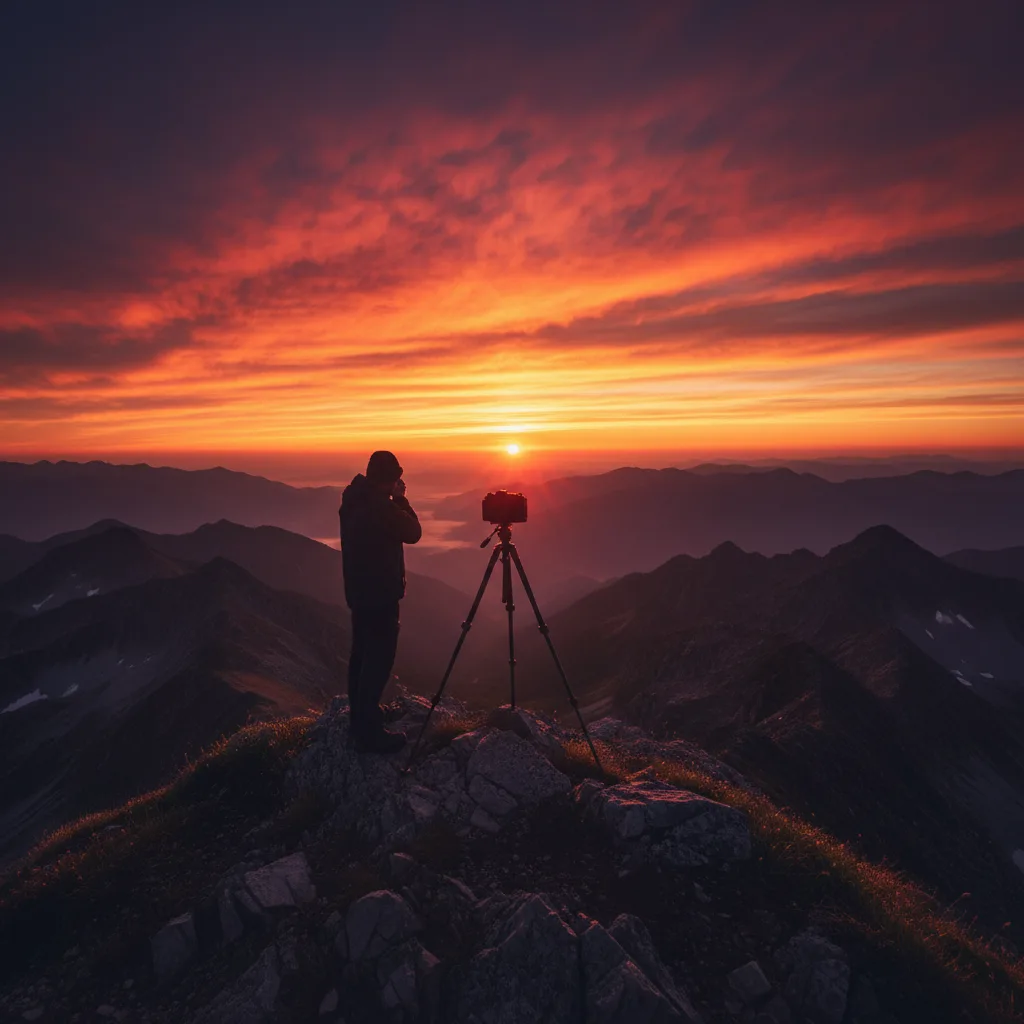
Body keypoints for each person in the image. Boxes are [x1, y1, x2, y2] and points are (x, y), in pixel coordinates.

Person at [339, 450, 422, 753]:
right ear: (389, 480)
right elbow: (413, 532)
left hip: (358, 591)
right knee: (379, 659)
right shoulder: (382, 509)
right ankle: (369, 732)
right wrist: (401, 500)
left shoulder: (352, 499)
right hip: (381, 595)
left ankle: (359, 719)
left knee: (360, 655)